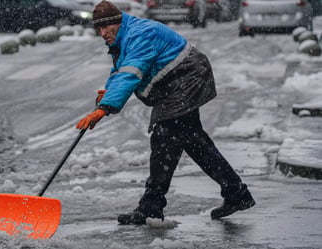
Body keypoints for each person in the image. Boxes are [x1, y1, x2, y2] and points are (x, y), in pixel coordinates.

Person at [76, 0, 255, 224]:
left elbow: (131, 72)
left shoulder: (141, 34)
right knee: (190, 140)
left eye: (106, 27)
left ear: (118, 22)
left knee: (165, 137)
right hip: (177, 81)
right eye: (98, 29)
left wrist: (104, 108)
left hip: (187, 77)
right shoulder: (125, 35)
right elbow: (120, 69)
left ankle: (152, 206)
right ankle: (236, 193)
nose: (102, 33)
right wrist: (108, 91)